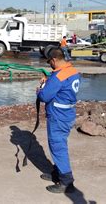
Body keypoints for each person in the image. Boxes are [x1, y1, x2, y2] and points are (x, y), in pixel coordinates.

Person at [37, 47, 81, 193]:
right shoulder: (72, 71)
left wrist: (40, 89)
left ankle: (67, 182)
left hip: (58, 116)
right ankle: (58, 172)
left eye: (49, 61)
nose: (49, 64)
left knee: (58, 146)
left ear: (54, 60)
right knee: (58, 145)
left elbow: (44, 96)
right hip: (67, 113)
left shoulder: (58, 77)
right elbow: (60, 85)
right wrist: (49, 81)